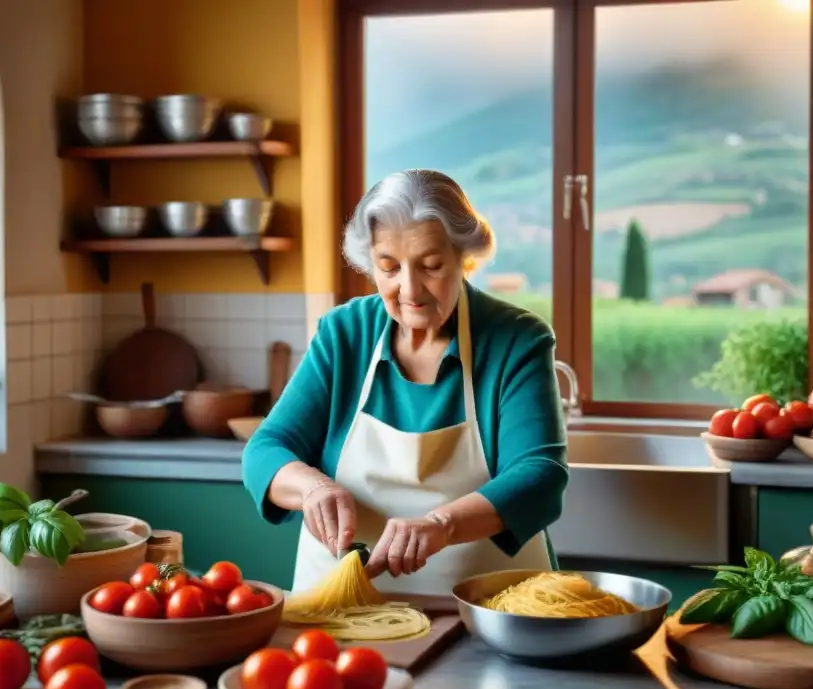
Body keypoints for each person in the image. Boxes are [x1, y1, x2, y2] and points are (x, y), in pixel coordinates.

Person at [242, 169, 569, 596]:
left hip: (486, 606)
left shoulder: (516, 339)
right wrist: (312, 488)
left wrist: (442, 524)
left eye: (431, 266)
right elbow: (265, 449)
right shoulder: (345, 333)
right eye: (389, 267)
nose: (409, 289)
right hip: (340, 607)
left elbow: (539, 473)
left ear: (462, 258)